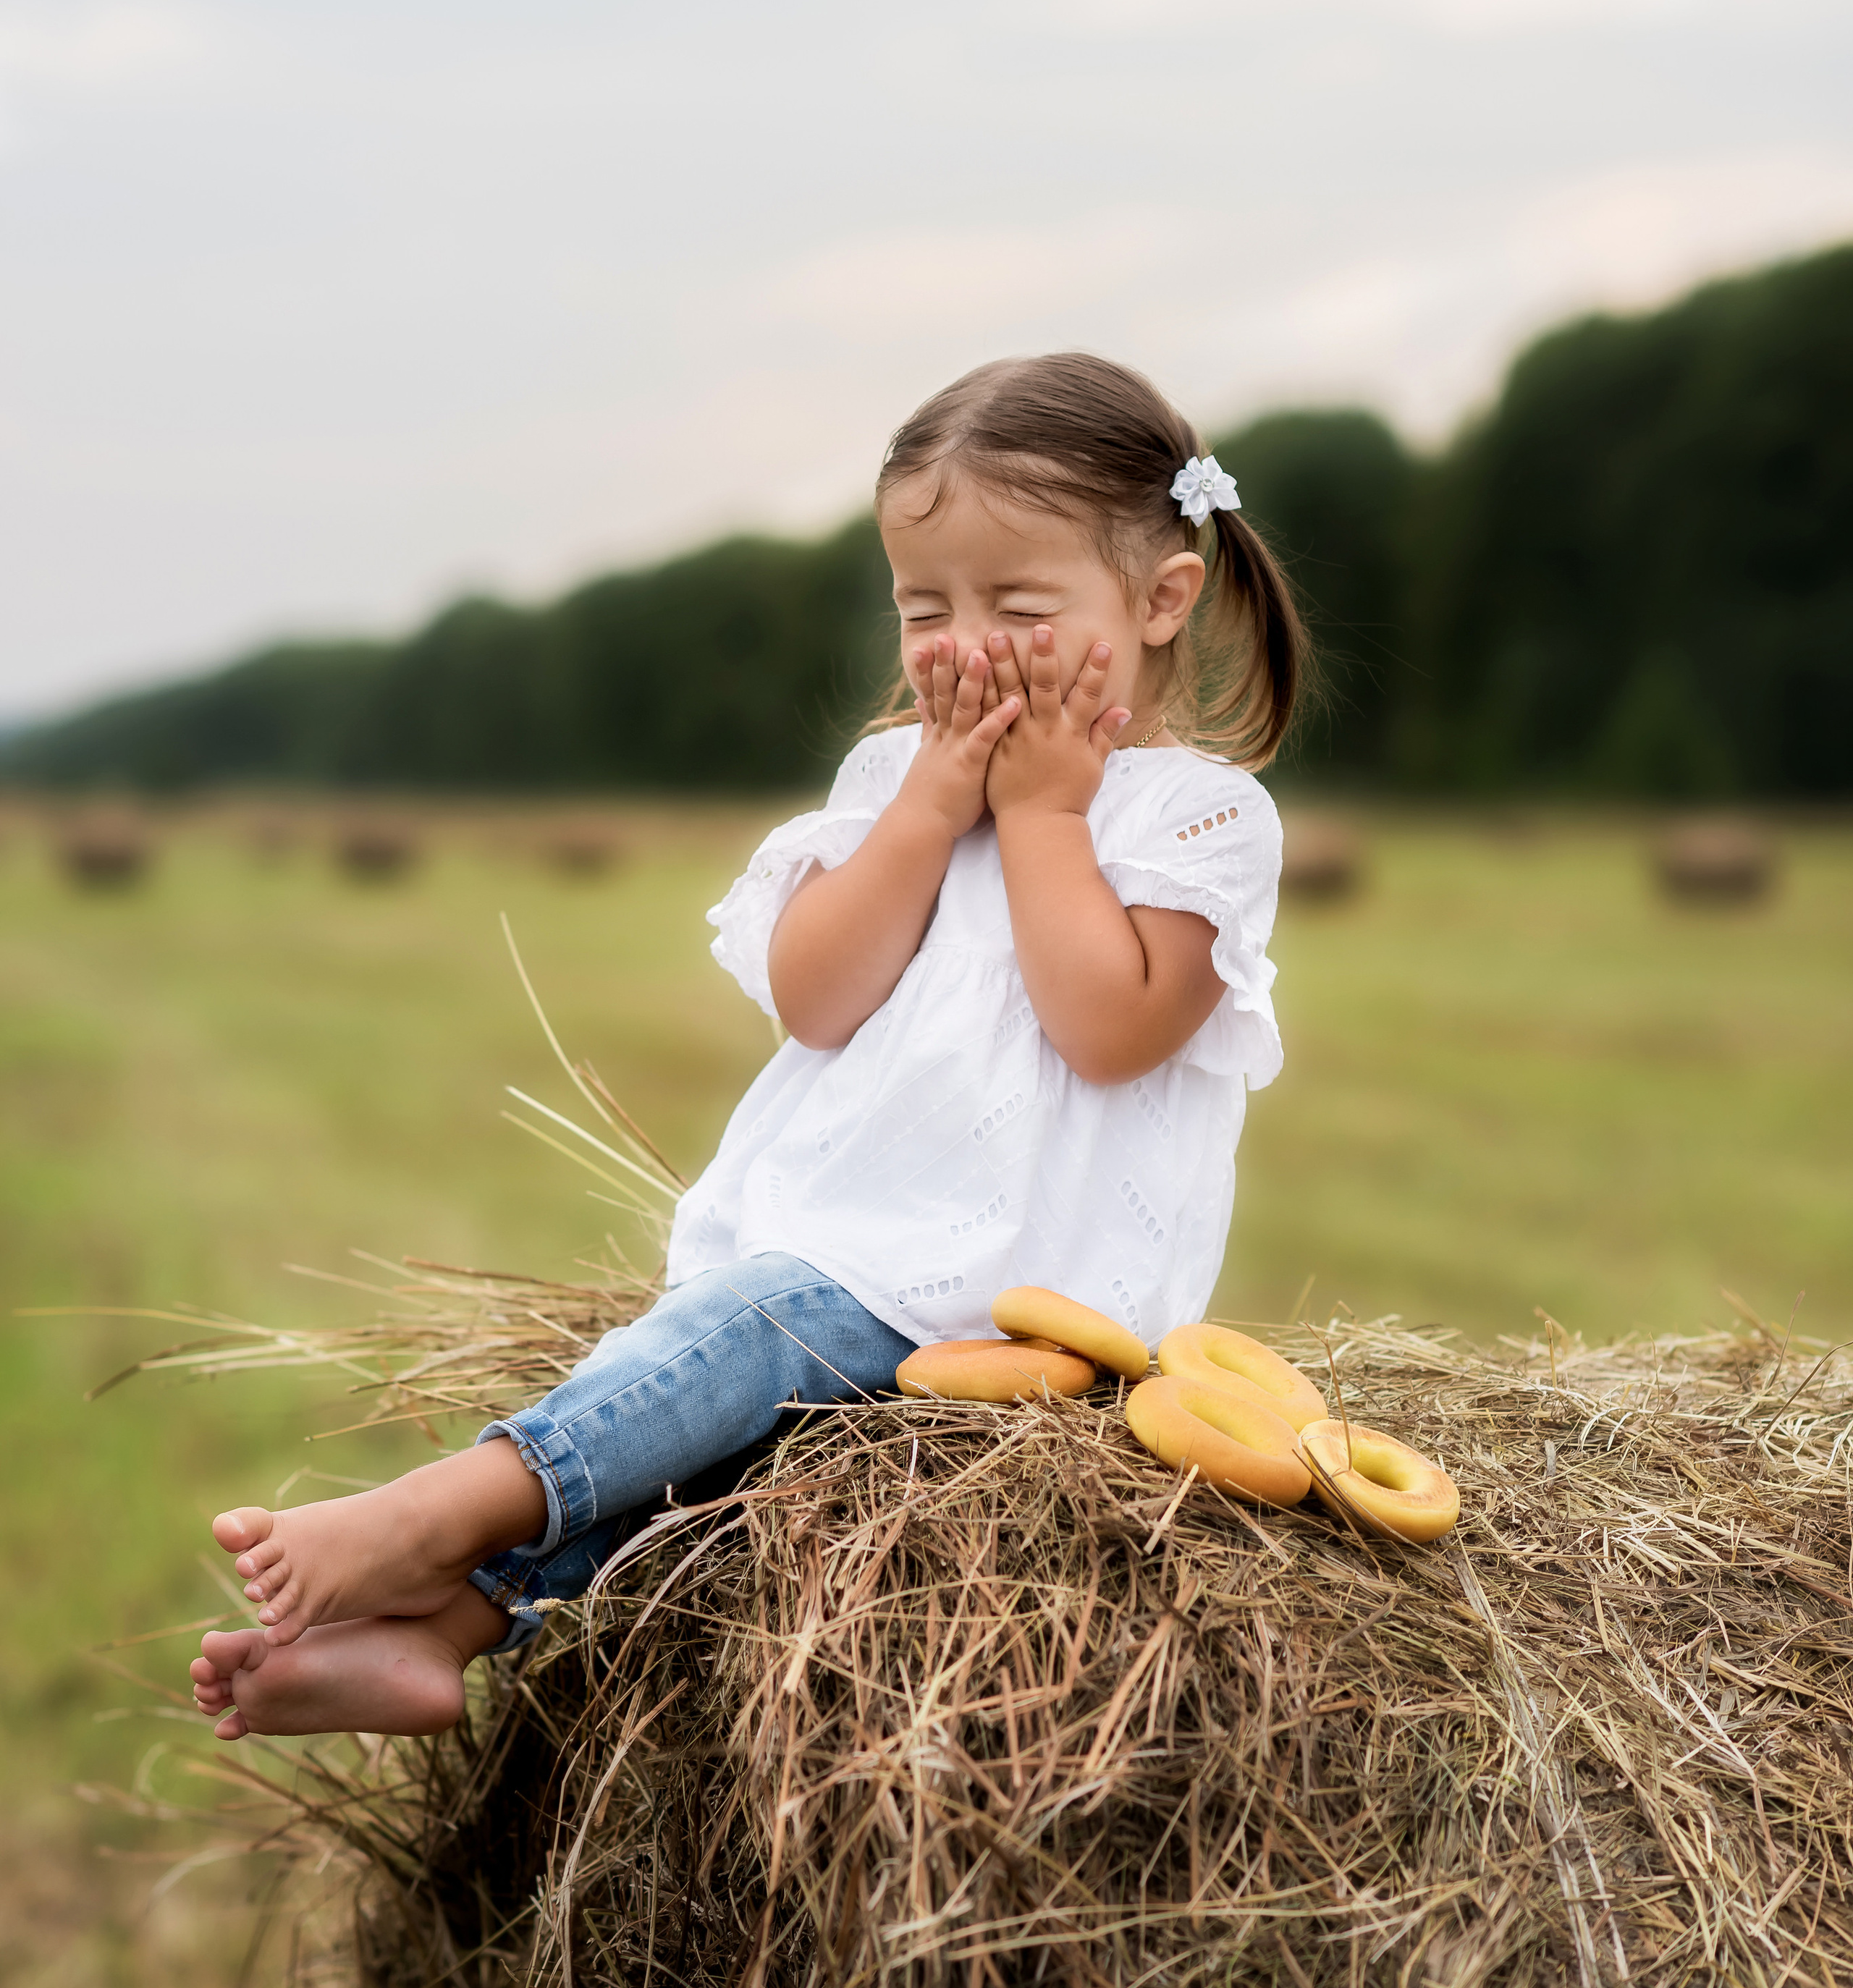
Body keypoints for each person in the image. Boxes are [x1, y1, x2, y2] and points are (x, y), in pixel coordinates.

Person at [190, 352, 1306, 1740]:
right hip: (858, 1239)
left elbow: (1111, 1031)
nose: (963, 645)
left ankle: (441, 1511)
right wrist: (928, 807)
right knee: (722, 1459)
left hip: (1016, 1279)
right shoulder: (895, 780)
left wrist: (1046, 819)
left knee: (748, 1341)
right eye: (923, 607)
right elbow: (816, 997)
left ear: (1158, 601)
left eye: (1017, 605)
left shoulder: (1196, 818)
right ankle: (462, 1628)